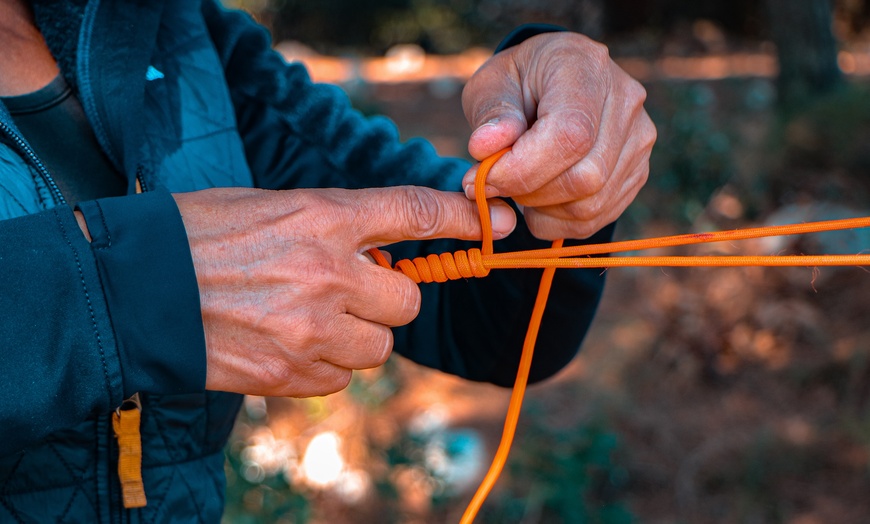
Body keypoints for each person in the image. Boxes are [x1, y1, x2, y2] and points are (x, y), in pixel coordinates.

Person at [0, 0, 654, 520]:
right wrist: (122, 293)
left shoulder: (171, 31)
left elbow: (485, 318)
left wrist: (558, 156)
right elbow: (122, 291)